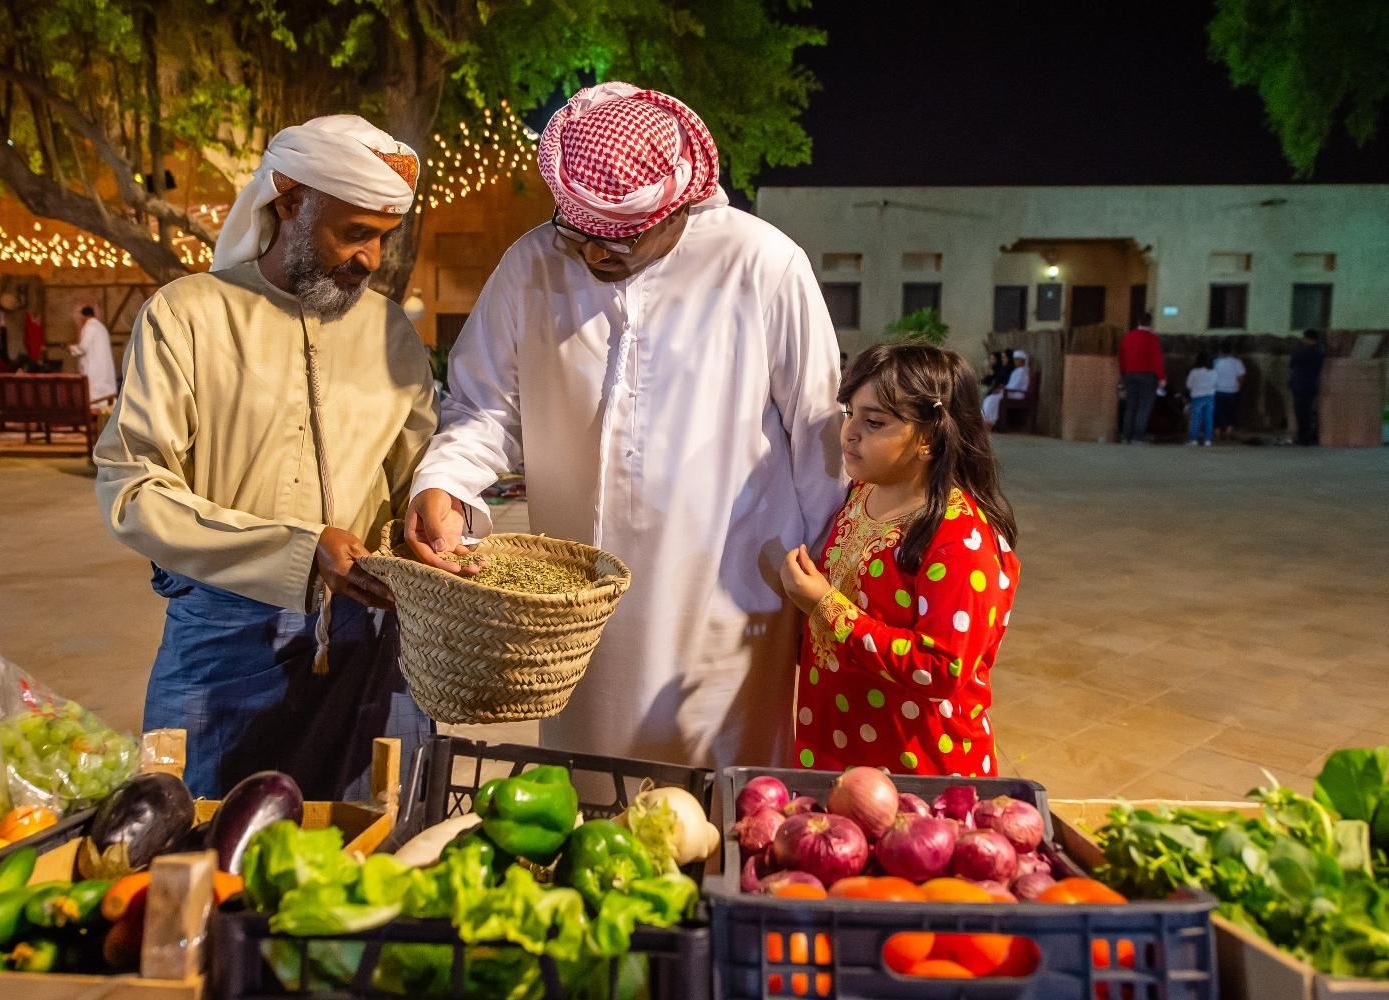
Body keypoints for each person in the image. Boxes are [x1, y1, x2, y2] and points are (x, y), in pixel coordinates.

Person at [405, 82, 844, 772]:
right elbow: (482, 406)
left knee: (721, 802)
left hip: (733, 598)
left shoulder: (761, 265)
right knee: (587, 797)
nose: (595, 256)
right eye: (577, 234)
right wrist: (445, 482)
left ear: (683, 210)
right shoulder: (531, 264)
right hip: (582, 607)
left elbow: (821, 437)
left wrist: (831, 586)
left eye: (622, 240)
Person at [94, 115, 436, 799]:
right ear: (288, 200)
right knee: (190, 858)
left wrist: (437, 515)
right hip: (219, 645)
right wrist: (298, 551)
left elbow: (417, 482)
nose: (371, 259)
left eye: (383, 238)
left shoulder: (391, 334)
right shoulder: (187, 316)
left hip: (368, 642)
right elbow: (134, 492)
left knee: (361, 862)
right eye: (355, 232)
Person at [780, 344, 1020, 776]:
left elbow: (941, 669)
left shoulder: (959, 541)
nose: (849, 432)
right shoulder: (862, 494)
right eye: (849, 412)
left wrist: (824, 605)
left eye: (874, 422)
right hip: (835, 742)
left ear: (929, 437)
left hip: (918, 767)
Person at [1118, 313, 1166, 443]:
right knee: (1144, 407)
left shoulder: (1127, 337)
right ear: (1150, 324)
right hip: (1148, 376)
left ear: (1138, 323)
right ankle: (1137, 437)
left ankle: (1126, 436)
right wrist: (1161, 378)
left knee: (1130, 406)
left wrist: (1123, 374)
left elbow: (1122, 357)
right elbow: (1157, 360)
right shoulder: (1153, 339)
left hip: (1129, 374)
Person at [68, 306, 118, 408]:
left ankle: (93, 415)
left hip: (94, 368)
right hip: (103, 367)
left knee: (94, 394)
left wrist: (71, 348)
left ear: (83, 316)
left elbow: (83, 348)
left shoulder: (89, 327)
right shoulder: (101, 327)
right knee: (105, 393)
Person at [1289, 329, 1325, 446]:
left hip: (1301, 384)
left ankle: (1303, 437)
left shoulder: (1303, 352)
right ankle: (1304, 436)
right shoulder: (1319, 351)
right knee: (1306, 412)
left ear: (1309, 339)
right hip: (1308, 384)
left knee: (1302, 412)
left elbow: (1292, 363)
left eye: (1304, 338)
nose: (1302, 340)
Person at [980, 349, 1029, 426]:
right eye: (1015, 360)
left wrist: (1002, 390)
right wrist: (1002, 388)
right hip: (1010, 392)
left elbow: (1015, 386)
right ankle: (987, 419)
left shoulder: (1022, 371)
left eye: (1017, 360)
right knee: (990, 398)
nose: (1015, 361)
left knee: (992, 399)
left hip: (1016, 394)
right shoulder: (1017, 371)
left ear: (1022, 360)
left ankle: (989, 420)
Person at [1211, 340, 1246, 441]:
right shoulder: (1237, 362)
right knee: (1231, 412)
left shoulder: (1216, 362)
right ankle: (1228, 432)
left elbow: (1211, 375)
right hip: (1232, 391)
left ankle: (1217, 432)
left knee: (1217, 412)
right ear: (1231, 351)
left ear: (1220, 350)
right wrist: (1239, 387)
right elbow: (1241, 377)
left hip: (1218, 391)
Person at [1185, 353, 1217, 446]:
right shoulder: (1213, 371)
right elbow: (1216, 383)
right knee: (1208, 419)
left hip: (1197, 396)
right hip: (1210, 396)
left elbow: (1188, 385)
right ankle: (1208, 440)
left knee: (1196, 419)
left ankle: (1193, 439)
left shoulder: (1194, 372)